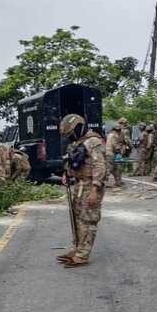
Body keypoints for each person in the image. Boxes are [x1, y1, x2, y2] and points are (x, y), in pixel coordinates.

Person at [57, 114, 106, 268]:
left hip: (91, 185)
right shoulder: (76, 143)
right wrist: (67, 175)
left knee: (88, 219)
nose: (69, 137)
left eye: (70, 133)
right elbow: (72, 162)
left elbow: (100, 166)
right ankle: (77, 249)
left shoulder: (94, 142)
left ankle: (83, 255)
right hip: (79, 185)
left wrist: (95, 190)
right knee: (76, 218)